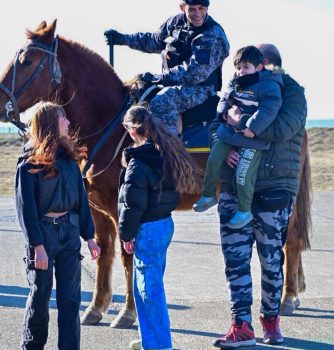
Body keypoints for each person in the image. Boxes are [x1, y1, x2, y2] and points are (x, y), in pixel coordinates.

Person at [209, 44, 307, 348]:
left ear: (270, 65)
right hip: (234, 188)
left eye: (260, 64)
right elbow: (215, 125)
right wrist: (226, 151)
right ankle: (241, 325)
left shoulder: (292, 93)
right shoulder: (236, 85)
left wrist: (239, 125)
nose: (252, 69)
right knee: (235, 260)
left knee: (270, 259)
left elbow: (282, 128)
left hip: (274, 187)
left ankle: (270, 320)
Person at [15, 102, 101, 350]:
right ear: (51, 123)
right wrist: (37, 246)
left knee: (71, 300)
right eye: (63, 119)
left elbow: (80, 202)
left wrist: (90, 236)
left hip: (70, 233)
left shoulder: (70, 160)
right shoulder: (28, 164)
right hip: (44, 235)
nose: (68, 123)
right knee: (40, 298)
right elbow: (26, 210)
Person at [117, 106, 199, 350]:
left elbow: (132, 204)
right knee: (146, 288)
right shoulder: (164, 153)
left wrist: (126, 234)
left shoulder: (137, 163)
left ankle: (159, 345)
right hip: (164, 224)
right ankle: (150, 339)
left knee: (149, 292)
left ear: (132, 132)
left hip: (147, 229)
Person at [104, 0, 229, 134]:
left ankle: (168, 149)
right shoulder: (176, 23)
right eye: (192, 9)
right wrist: (123, 39)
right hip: (172, 83)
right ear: (182, 7)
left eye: (202, 8)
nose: (197, 13)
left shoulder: (213, 34)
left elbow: (196, 72)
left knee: (163, 101)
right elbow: (154, 41)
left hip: (200, 89)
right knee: (135, 92)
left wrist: (159, 78)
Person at [193, 46, 283, 229]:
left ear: (259, 67)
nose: (241, 71)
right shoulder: (235, 82)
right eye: (238, 67)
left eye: (246, 67)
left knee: (243, 173)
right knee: (214, 160)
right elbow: (224, 100)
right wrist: (223, 115)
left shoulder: (269, 85)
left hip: (252, 139)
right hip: (228, 133)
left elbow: (269, 108)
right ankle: (209, 195)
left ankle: (244, 211)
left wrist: (252, 127)